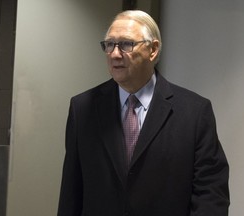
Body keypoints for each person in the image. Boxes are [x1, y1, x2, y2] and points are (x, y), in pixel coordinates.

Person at [58, 10, 230, 216]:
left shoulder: (194, 112)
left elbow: (210, 195)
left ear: (153, 50)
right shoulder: (83, 108)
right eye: (109, 44)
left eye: (126, 44)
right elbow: (71, 193)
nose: (114, 53)